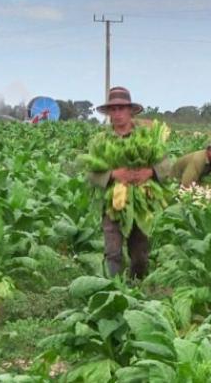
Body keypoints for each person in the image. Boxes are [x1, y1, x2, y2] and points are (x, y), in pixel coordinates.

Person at [88, 86, 169, 279]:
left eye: (121, 108)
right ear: (108, 113)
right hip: (112, 204)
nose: (117, 113)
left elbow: (166, 166)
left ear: (130, 111)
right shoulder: (100, 141)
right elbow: (91, 174)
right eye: (113, 109)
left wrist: (150, 172)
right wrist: (113, 174)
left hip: (141, 204)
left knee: (140, 255)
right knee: (113, 253)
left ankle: (136, 290)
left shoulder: (147, 138)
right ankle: (113, 291)